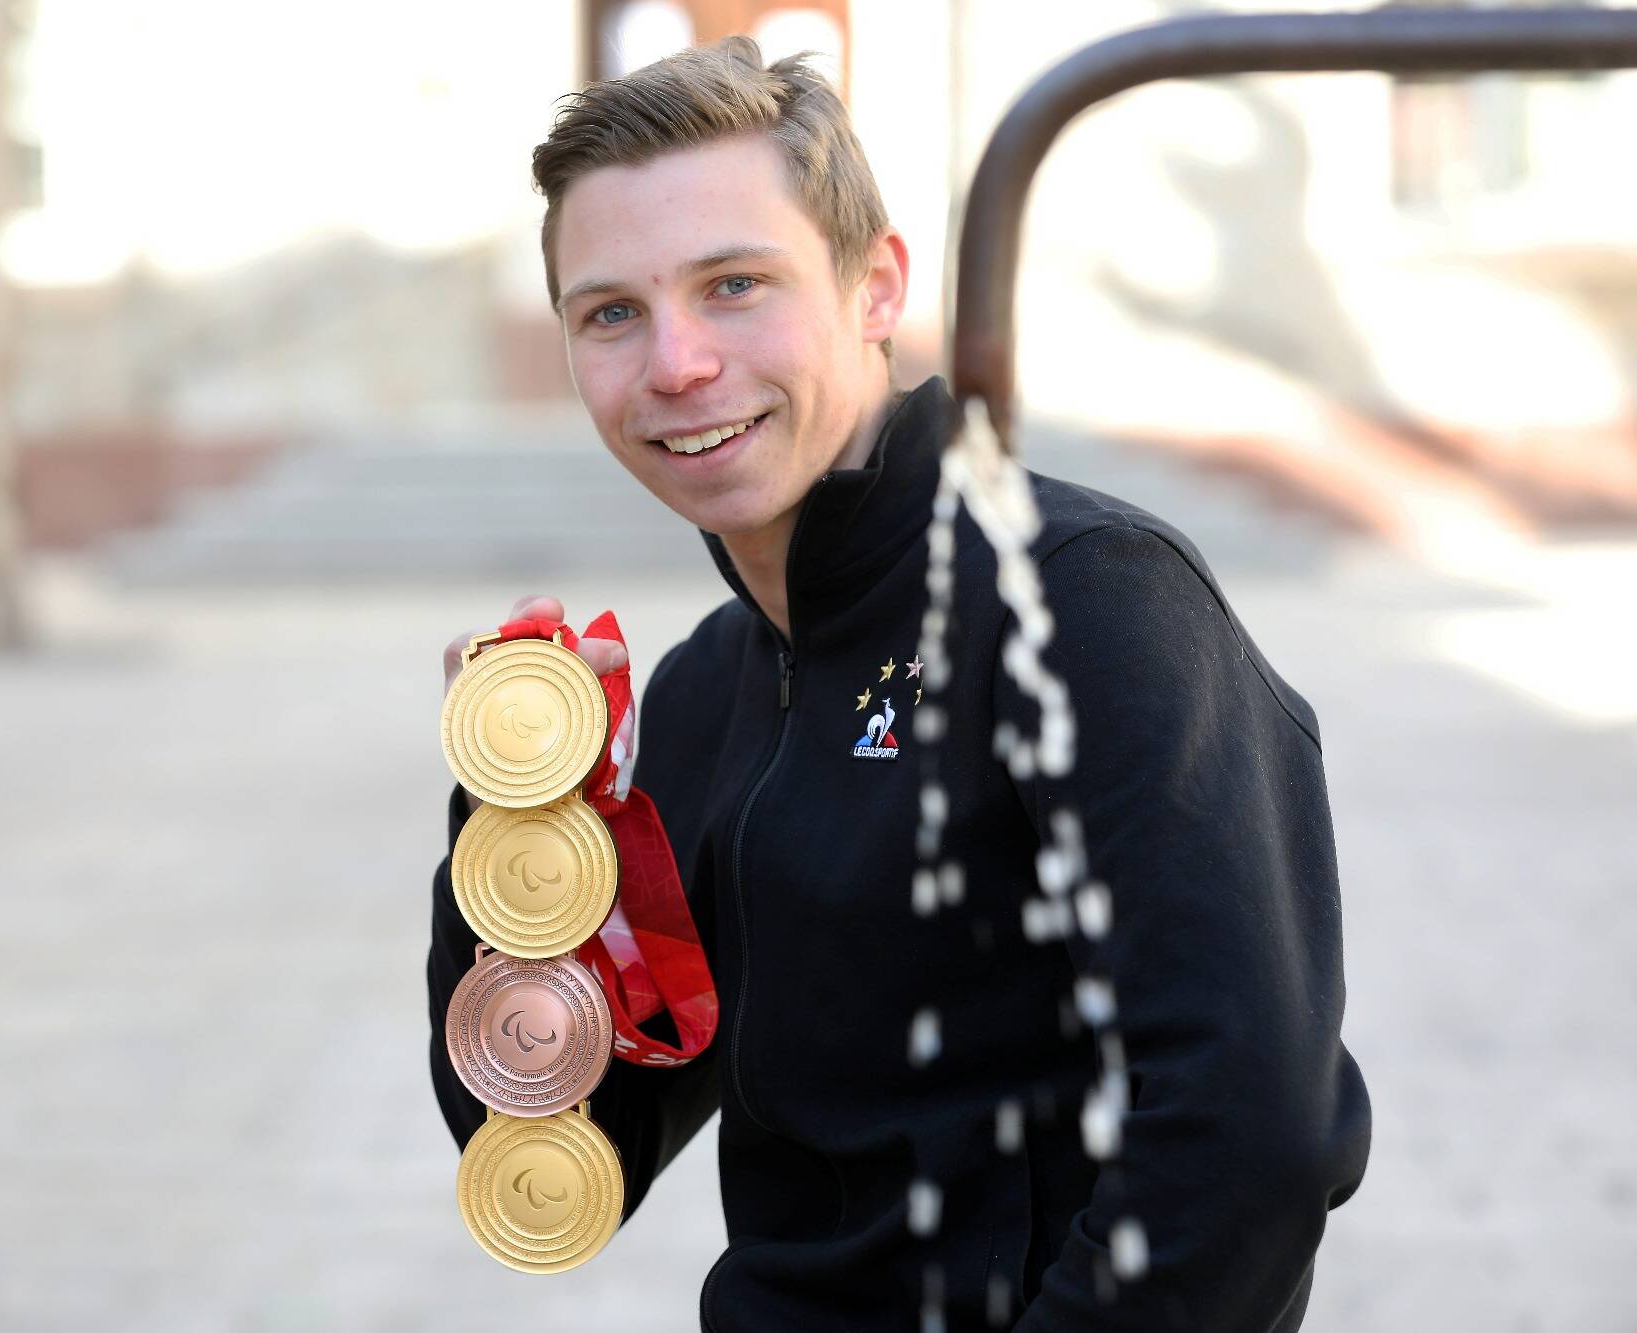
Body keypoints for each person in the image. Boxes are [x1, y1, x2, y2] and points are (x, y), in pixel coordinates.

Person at [427, 36, 1370, 1332]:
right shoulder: (717, 684)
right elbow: (565, 1135)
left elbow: (1247, 1141)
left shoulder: (1088, 601)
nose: (678, 363)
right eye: (612, 312)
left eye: (736, 284)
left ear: (876, 287)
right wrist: (510, 827)